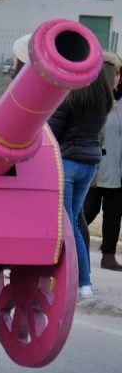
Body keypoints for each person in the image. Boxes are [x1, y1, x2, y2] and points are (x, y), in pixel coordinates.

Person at [49, 59, 113, 299]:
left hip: (68, 163)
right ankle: (83, 282)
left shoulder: (69, 99)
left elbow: (52, 132)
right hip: (90, 164)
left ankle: (80, 281)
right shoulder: (103, 101)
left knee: (67, 224)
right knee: (74, 222)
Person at [84, 52, 122, 272]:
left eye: (117, 73)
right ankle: (63, 246)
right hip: (94, 168)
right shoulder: (92, 99)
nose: (115, 77)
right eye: (111, 72)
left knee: (114, 212)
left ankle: (108, 255)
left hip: (116, 169)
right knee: (87, 211)